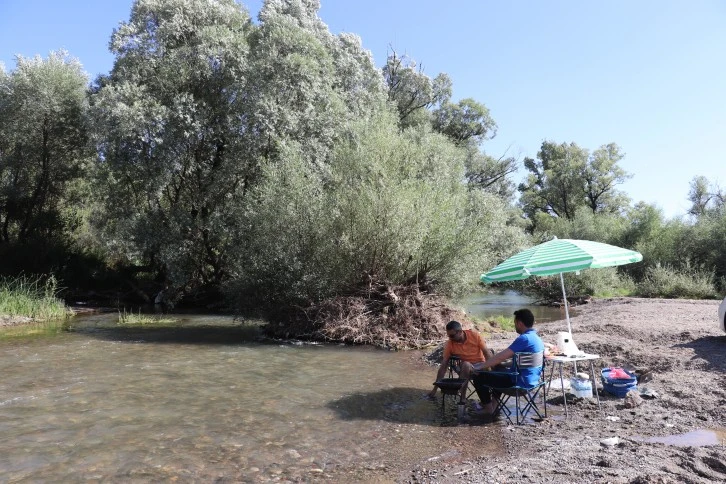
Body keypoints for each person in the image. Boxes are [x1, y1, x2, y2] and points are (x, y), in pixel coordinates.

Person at [471, 308, 545, 416]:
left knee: (478, 375)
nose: (515, 326)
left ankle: (488, 408)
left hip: (518, 384)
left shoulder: (524, 338)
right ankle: (494, 405)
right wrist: (502, 365)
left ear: (519, 323)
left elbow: (501, 357)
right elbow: (522, 361)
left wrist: (480, 366)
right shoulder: (537, 338)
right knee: (498, 369)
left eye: (515, 323)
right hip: (531, 382)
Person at [428, 320, 492, 404]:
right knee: (466, 364)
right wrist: (435, 389)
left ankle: (487, 401)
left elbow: (486, 352)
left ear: (460, 332)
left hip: (481, 364)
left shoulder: (475, 335)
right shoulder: (450, 343)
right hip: (465, 367)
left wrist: (491, 370)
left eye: (452, 335)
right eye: (448, 335)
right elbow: (443, 366)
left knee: (486, 359)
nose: (450, 338)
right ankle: (463, 398)